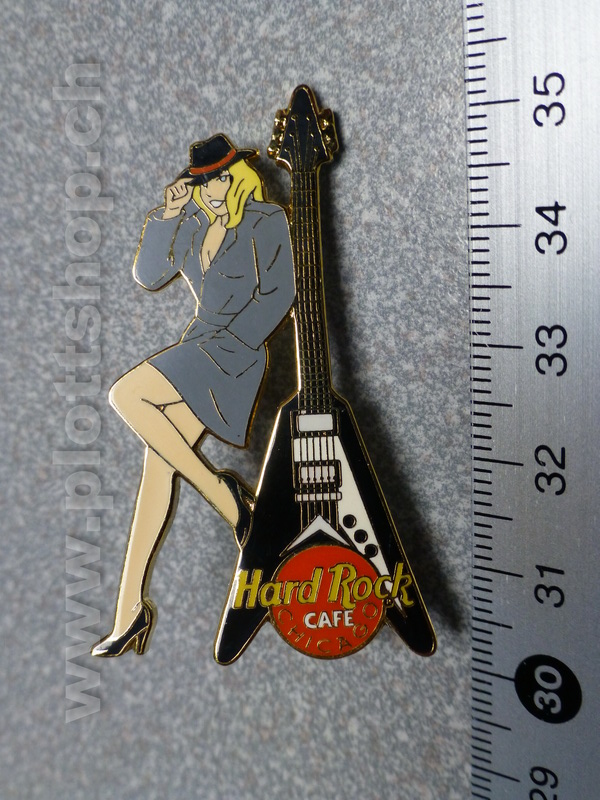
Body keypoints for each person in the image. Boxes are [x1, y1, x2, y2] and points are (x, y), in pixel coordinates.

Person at [91, 134, 295, 657]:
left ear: (240, 175)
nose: (212, 189)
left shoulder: (266, 219)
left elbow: (280, 293)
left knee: (126, 394)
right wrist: (167, 214)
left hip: (235, 354)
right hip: (196, 348)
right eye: (202, 182)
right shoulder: (193, 224)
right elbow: (148, 274)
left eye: (221, 177)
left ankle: (228, 501)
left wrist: (237, 340)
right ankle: (129, 612)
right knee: (157, 469)